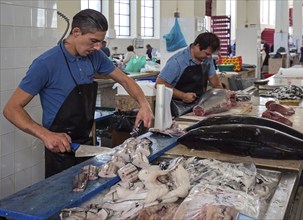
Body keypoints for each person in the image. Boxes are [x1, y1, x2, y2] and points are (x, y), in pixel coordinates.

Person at [2, 9, 154, 178]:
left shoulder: (95, 57)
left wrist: (144, 104)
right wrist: (45, 134)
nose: (97, 47)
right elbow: (11, 109)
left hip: (87, 144)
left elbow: (125, 80)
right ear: (76, 32)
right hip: (60, 150)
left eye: (100, 42)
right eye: (93, 41)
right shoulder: (46, 63)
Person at [155, 32, 224, 117]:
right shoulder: (177, 61)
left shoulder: (207, 58)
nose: (209, 57)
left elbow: (214, 80)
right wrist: (183, 96)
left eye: (210, 54)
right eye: (207, 53)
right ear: (197, 46)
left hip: (199, 106)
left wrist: (223, 93)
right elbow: (159, 83)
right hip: (177, 107)